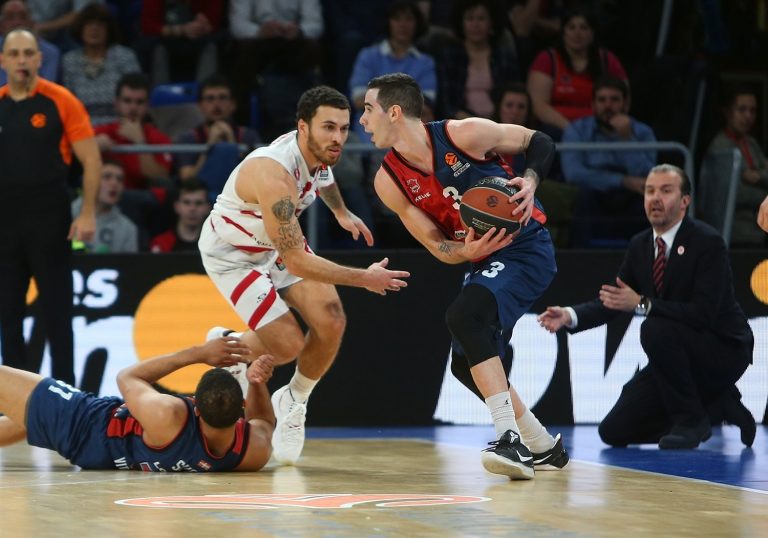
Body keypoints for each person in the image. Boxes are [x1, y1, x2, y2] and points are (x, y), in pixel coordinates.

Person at [360, 73, 567, 480]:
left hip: (525, 246)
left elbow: (539, 141)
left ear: (395, 112)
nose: (362, 120)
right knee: (462, 364)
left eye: (368, 110)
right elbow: (437, 246)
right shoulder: (388, 180)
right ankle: (541, 445)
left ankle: (509, 439)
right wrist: (465, 252)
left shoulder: (463, 134)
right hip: (482, 259)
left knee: (464, 316)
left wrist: (529, 180)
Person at [198, 85, 410, 466]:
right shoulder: (273, 173)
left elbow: (324, 180)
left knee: (331, 320)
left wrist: (341, 213)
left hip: (275, 245)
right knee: (287, 346)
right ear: (302, 127)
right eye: (329, 128)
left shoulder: (317, 154)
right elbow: (296, 261)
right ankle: (231, 347)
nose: (338, 138)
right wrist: (365, 278)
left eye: (344, 129)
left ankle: (293, 400)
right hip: (235, 254)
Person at [538, 164, 755, 450]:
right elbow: (617, 300)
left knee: (653, 328)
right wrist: (570, 315)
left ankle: (692, 422)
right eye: (649, 191)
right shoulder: (640, 244)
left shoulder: (707, 242)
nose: (655, 198)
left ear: (684, 201)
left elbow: (704, 314)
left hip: (723, 348)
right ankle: (717, 407)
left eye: (666, 191)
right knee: (613, 431)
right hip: (677, 349)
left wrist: (643, 303)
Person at [0, 335, 277, 472]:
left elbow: (127, 376)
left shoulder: (169, 415)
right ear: (240, 409)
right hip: (94, 453)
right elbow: (263, 422)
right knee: (27, 420)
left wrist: (198, 354)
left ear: (196, 408)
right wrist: (256, 383)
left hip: (81, 420)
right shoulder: (251, 454)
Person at [0, 29, 101, 384]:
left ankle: (65, 395)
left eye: (29, 53)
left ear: (40, 59)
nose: (22, 60)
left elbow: (91, 159)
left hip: (49, 218)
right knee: (8, 314)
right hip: (5, 223)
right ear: (3, 60)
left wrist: (87, 212)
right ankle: (16, 401)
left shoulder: (61, 100)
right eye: (15, 54)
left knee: (58, 312)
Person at [561, 76, 656, 246]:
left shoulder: (643, 132)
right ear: (593, 105)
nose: (608, 106)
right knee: (583, 197)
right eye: (602, 100)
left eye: (614, 100)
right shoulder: (576, 130)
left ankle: (645, 263)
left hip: (631, 198)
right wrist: (622, 181)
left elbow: (648, 176)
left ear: (625, 104)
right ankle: (581, 262)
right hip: (594, 193)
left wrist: (627, 140)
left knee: (649, 200)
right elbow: (573, 173)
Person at [526, 7, 627, 139]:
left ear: (592, 33)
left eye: (583, 28)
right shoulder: (547, 59)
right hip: (558, 128)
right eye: (571, 28)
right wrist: (570, 129)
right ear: (563, 32)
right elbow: (538, 105)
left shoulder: (607, 60)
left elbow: (624, 96)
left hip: (600, 126)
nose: (577, 33)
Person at [348, 0, 436, 143]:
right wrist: (406, 100)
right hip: (372, 134)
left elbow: (425, 104)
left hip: (410, 135)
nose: (403, 25)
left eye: (408, 19)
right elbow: (358, 99)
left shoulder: (426, 62)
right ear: (388, 22)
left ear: (417, 24)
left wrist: (378, 100)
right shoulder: (367, 56)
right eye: (397, 18)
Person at [174, 74, 260, 202]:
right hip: (200, 201)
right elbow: (187, 180)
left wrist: (231, 143)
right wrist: (209, 146)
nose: (216, 104)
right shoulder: (187, 138)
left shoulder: (248, 136)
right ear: (200, 106)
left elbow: (256, 179)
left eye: (222, 98)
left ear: (233, 104)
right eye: (210, 98)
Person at [702, 86, 768, 246]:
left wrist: (757, 177)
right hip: (735, 233)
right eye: (742, 109)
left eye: (752, 111)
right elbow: (734, 193)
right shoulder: (720, 146)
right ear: (728, 112)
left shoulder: (751, 143)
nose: (748, 116)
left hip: (759, 229)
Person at [436, 0, 520, 120]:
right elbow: (447, 104)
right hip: (462, 123)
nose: (475, 24)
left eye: (481, 19)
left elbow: (514, 96)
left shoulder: (504, 57)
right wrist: (476, 124)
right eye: (469, 19)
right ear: (461, 24)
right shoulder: (450, 57)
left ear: (491, 23)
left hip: (499, 123)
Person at [62, 3, 141, 126]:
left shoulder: (124, 56)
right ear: (80, 28)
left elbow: (136, 96)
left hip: (120, 124)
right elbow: (67, 103)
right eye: (89, 24)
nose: (94, 29)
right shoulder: (69, 60)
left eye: (100, 25)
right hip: (82, 126)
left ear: (108, 30)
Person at [94, 73, 173, 190]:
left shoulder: (160, 139)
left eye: (139, 102)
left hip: (141, 199)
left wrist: (140, 142)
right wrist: (91, 146)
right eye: (127, 101)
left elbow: (160, 178)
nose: (133, 108)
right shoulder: (102, 132)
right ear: (116, 104)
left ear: (147, 106)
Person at [71, 160, 139, 253]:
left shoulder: (128, 229)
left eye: (119, 179)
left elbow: (129, 266)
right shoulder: (67, 215)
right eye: (107, 177)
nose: (114, 183)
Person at [0, 0, 60, 85]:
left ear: (32, 22)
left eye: (23, 17)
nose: (17, 22)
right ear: (1, 25)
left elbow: (46, 87)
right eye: (10, 17)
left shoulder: (50, 52)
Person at [150, 179, 211, 253]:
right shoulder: (161, 244)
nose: (192, 208)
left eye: (198, 203)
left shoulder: (215, 245)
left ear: (208, 208)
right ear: (176, 207)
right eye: (186, 202)